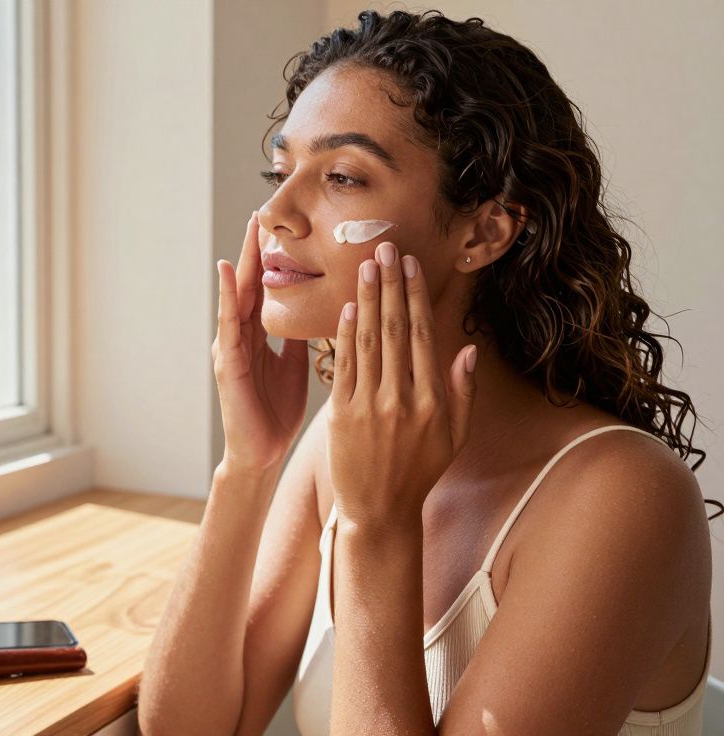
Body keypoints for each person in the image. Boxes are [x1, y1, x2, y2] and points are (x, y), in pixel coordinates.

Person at [137, 9, 716, 735]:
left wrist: (379, 529)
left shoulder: (624, 497)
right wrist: (247, 466)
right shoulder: (337, 445)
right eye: (280, 170)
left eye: (343, 176)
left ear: (484, 231)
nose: (276, 212)